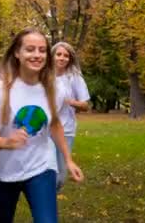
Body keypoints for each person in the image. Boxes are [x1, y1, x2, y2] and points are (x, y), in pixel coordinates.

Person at [0, 28, 84, 223]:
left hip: (41, 166)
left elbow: (55, 125)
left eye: (42, 50)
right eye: (30, 49)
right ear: (17, 53)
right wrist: (8, 141)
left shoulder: (54, 88)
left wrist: (68, 160)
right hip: (2, 173)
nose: (37, 55)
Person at [52, 41, 90, 191]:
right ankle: (45, 201)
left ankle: (50, 194)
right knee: (46, 172)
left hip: (66, 130)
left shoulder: (74, 78)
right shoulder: (44, 75)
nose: (62, 58)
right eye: (59, 54)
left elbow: (86, 105)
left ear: (70, 59)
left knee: (60, 176)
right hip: (45, 130)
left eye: (66, 56)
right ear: (52, 55)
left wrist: (69, 101)